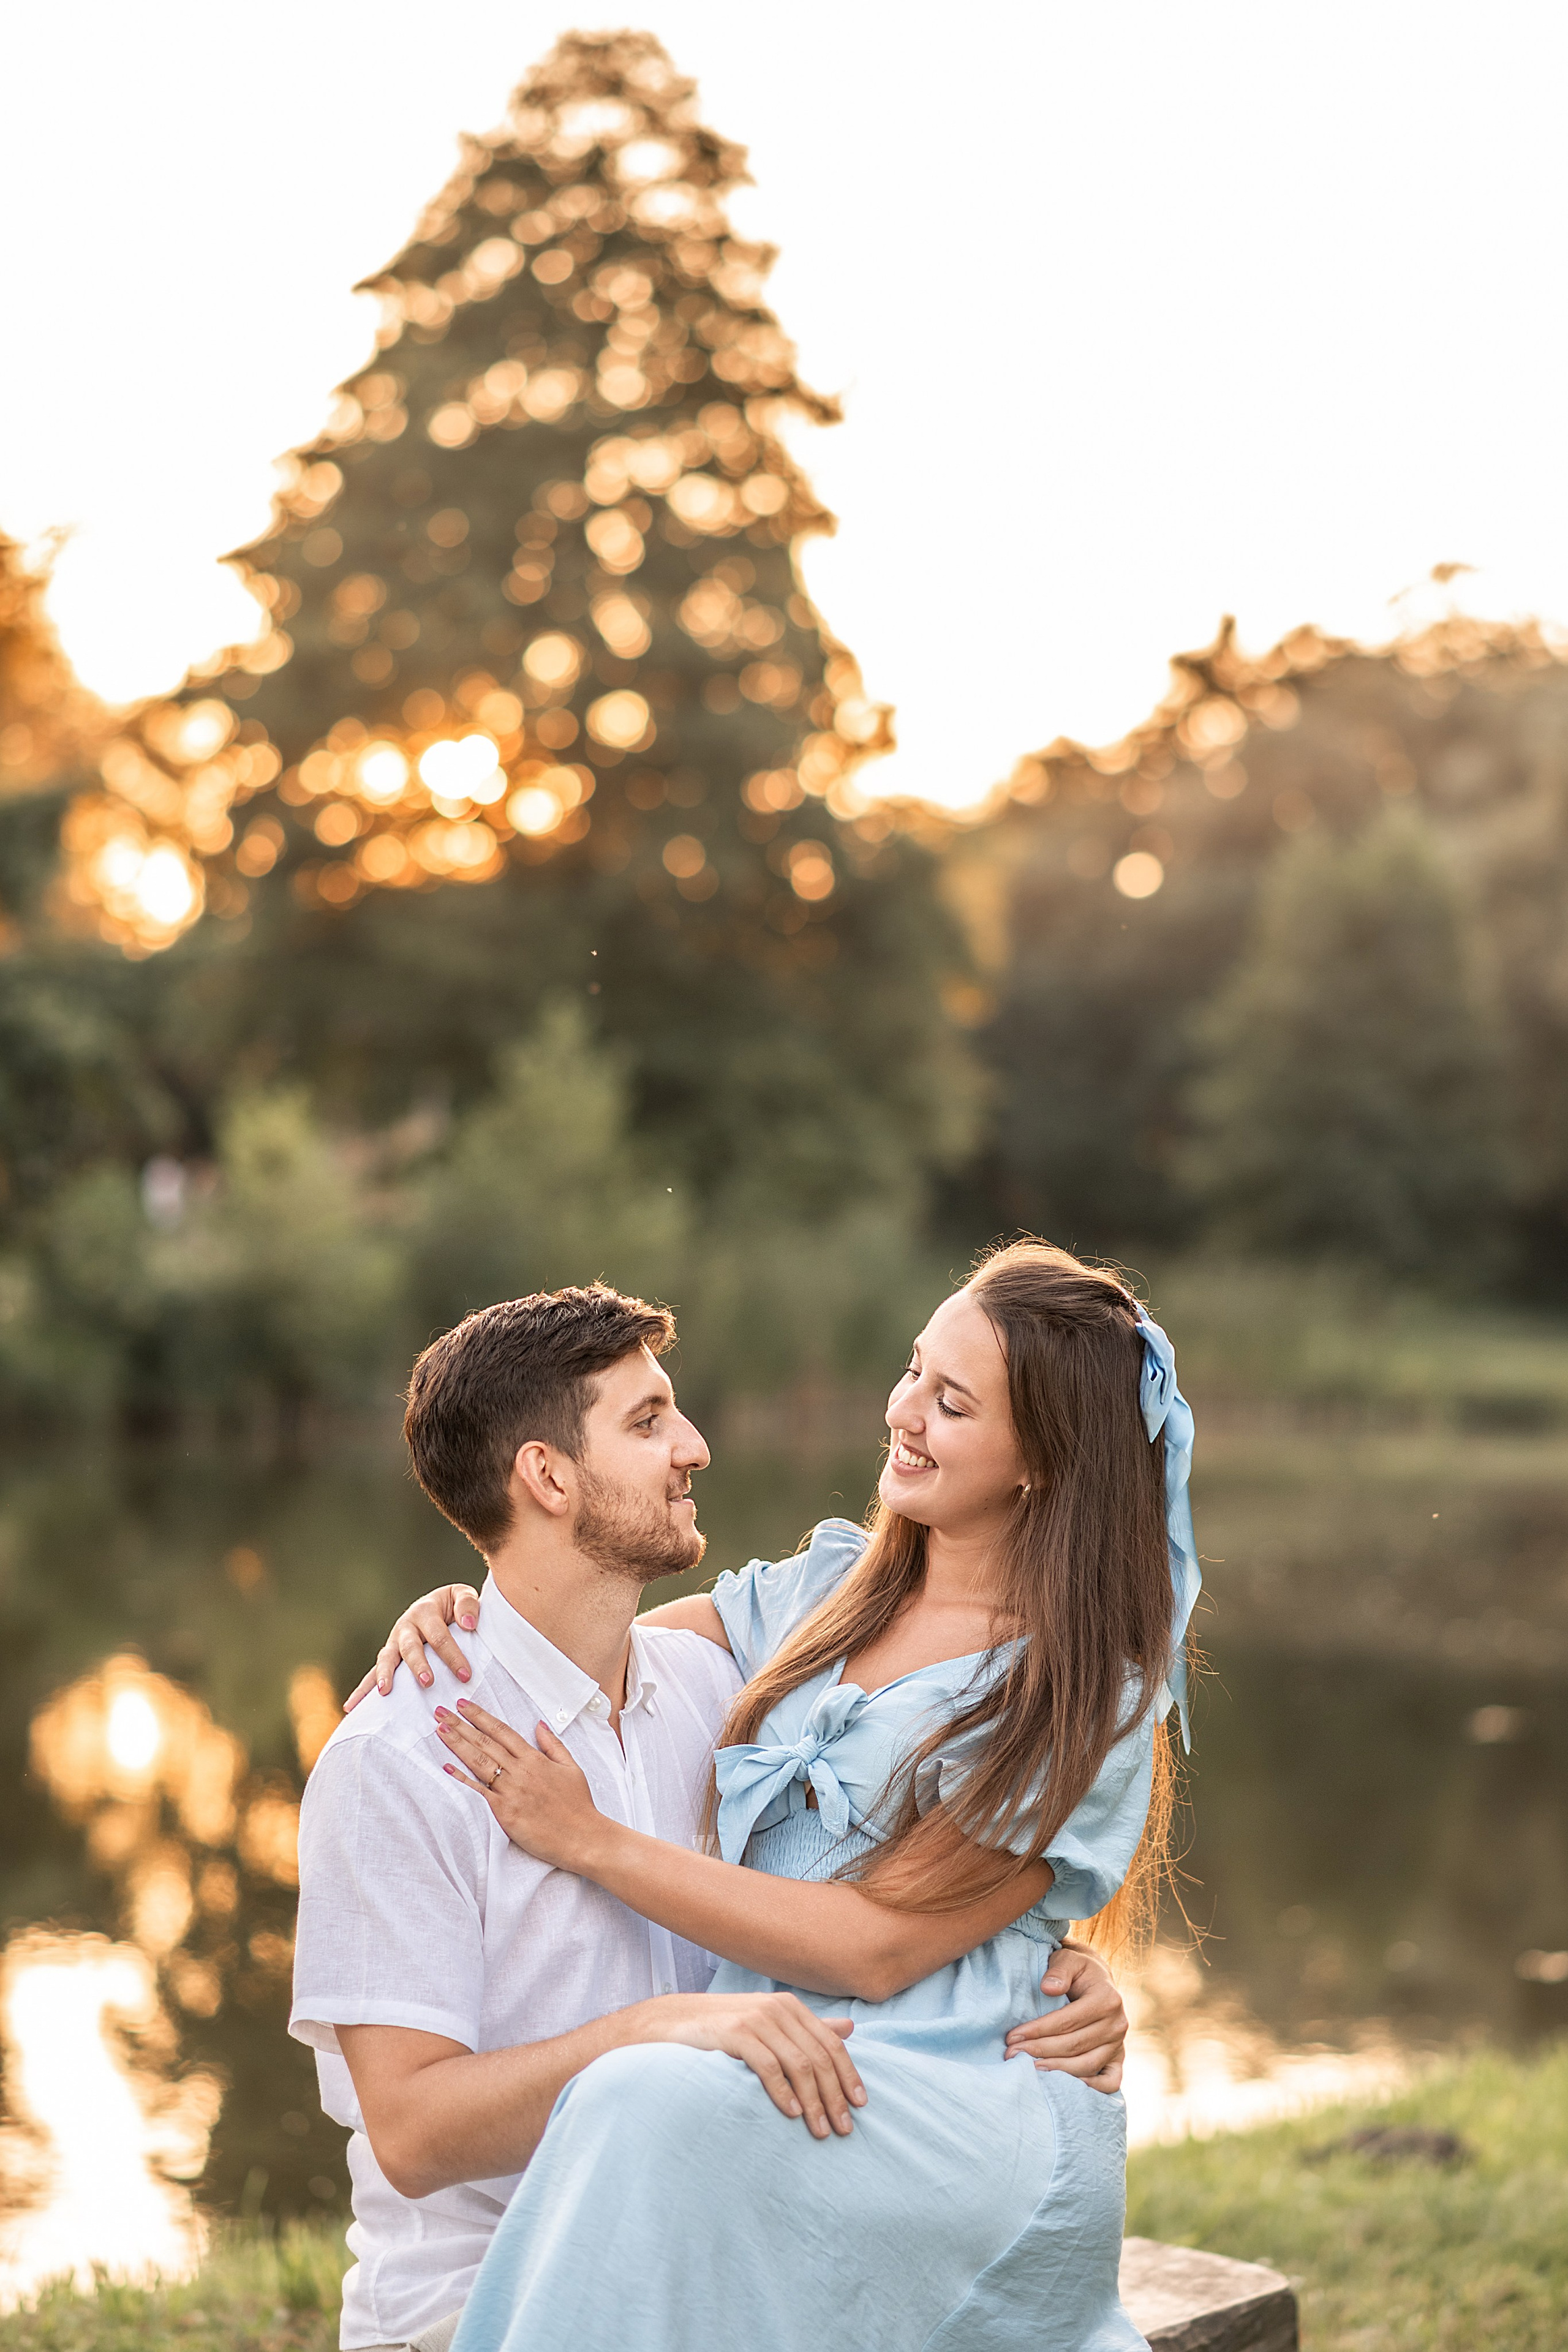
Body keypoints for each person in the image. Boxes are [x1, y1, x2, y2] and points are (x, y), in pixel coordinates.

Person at [363, 1240, 1199, 2352]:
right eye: (913, 1371)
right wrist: (459, 1618)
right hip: (780, 2058)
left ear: (1040, 1459)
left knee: (644, 2098)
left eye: (951, 1404)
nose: (903, 1411)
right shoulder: (827, 1591)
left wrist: (592, 1842)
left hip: (960, 2096)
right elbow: (581, 1641)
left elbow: (877, 1953)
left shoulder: (1078, 1685)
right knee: (651, 2099)